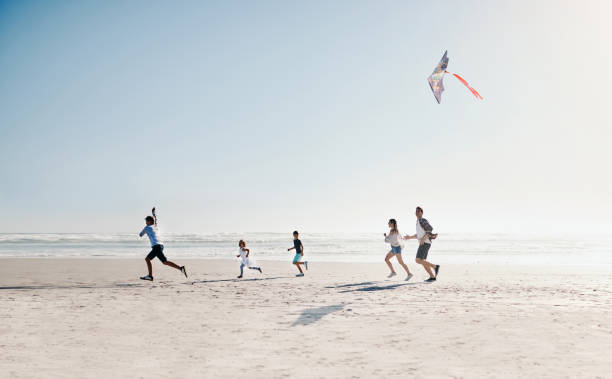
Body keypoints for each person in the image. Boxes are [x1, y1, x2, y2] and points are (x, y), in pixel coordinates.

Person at [138, 207, 187, 281]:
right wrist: (153, 213)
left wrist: (145, 228)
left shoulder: (147, 227)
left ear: (149, 221)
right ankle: (181, 268)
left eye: (146, 221)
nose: (145, 223)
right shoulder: (155, 226)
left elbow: (140, 234)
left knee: (147, 259)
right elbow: (155, 219)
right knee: (165, 262)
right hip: (160, 246)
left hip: (156, 246)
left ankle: (150, 276)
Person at [404, 206, 439, 282]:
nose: (417, 212)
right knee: (423, 261)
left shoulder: (422, 220)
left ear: (422, 212)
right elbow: (418, 235)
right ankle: (432, 276)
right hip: (425, 243)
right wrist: (409, 237)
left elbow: (429, 229)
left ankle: (435, 267)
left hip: (425, 243)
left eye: (418, 211)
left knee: (418, 260)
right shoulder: (418, 222)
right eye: (416, 211)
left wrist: (423, 239)